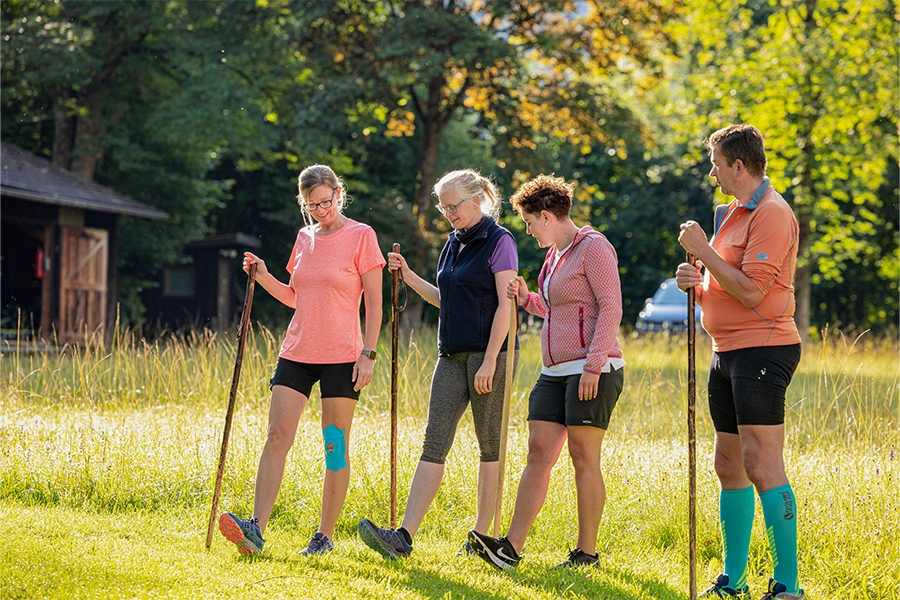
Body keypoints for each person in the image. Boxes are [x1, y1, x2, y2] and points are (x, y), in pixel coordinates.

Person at [218, 164, 385, 556]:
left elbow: (375, 303)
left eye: (326, 202)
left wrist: (369, 354)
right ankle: (255, 529)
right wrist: (262, 275)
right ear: (303, 202)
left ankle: (324, 536)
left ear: (339, 193)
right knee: (277, 435)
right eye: (313, 205)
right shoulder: (304, 237)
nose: (321, 210)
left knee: (334, 444)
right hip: (296, 351)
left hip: (343, 356)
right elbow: (296, 296)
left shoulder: (361, 236)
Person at [356, 169, 518, 559]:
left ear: (477, 199)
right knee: (434, 440)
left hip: (487, 354)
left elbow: (505, 308)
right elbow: (448, 300)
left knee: (489, 444)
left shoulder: (501, 242)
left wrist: (491, 360)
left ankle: (481, 537)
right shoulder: (452, 243)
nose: (448, 213)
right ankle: (404, 537)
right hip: (451, 354)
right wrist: (408, 276)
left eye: (453, 205)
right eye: (443, 207)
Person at [468, 174, 625, 571]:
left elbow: (610, 308)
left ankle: (586, 553)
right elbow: (560, 309)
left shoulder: (594, 247)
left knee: (582, 456)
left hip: (595, 367)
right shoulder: (555, 256)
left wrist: (593, 366)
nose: (528, 230)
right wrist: (528, 299)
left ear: (546, 216)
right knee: (538, 451)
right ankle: (511, 548)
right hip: (554, 370)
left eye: (529, 222)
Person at [675, 125, 805, 600]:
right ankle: (734, 580)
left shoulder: (772, 212)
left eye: (715, 163)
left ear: (738, 165)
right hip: (725, 350)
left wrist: (704, 252)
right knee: (728, 464)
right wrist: (697, 281)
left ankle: (788, 584)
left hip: (765, 348)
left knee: (761, 463)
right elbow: (727, 284)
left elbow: (753, 291)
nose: (711, 172)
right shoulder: (729, 213)